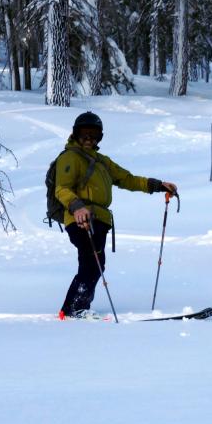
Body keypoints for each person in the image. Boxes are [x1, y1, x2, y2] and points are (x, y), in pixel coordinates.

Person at [54, 111, 177, 318]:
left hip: (99, 220)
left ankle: (77, 307)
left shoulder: (102, 161)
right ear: (76, 135)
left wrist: (158, 185)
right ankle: (74, 309)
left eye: (94, 136)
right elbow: (61, 189)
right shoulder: (70, 157)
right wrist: (77, 207)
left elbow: (127, 179)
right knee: (91, 263)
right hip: (80, 218)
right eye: (84, 135)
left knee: (96, 264)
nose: (88, 140)